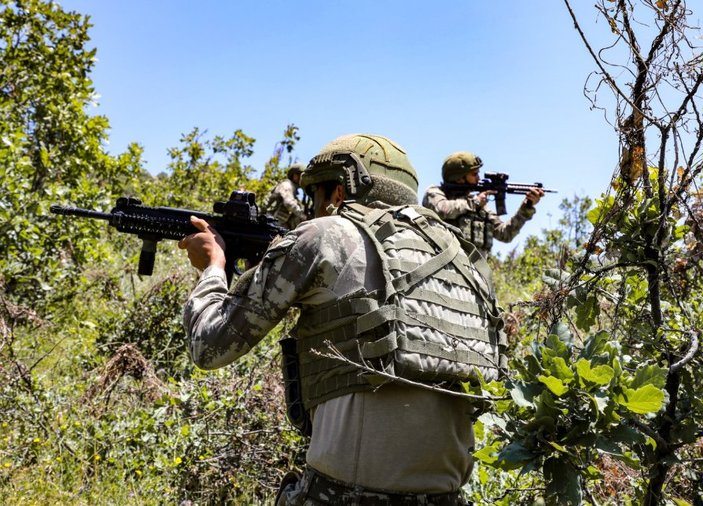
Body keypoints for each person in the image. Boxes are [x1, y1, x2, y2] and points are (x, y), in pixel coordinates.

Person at [178, 134, 504, 505]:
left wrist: (213, 267)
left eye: (315, 197)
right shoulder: (465, 258)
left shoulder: (325, 234)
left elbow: (209, 345)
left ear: (336, 194)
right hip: (450, 497)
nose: (313, 209)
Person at [422, 152, 544, 256]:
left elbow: (505, 234)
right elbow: (442, 210)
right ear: (459, 177)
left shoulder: (479, 206)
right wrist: (474, 202)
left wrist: (527, 206)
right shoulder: (435, 193)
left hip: (477, 278)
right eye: (474, 174)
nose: (478, 178)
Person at [262, 162, 308, 229]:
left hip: (277, 223)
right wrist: (303, 217)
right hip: (271, 221)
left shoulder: (293, 189)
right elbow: (289, 203)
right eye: (301, 175)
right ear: (295, 175)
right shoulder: (287, 185)